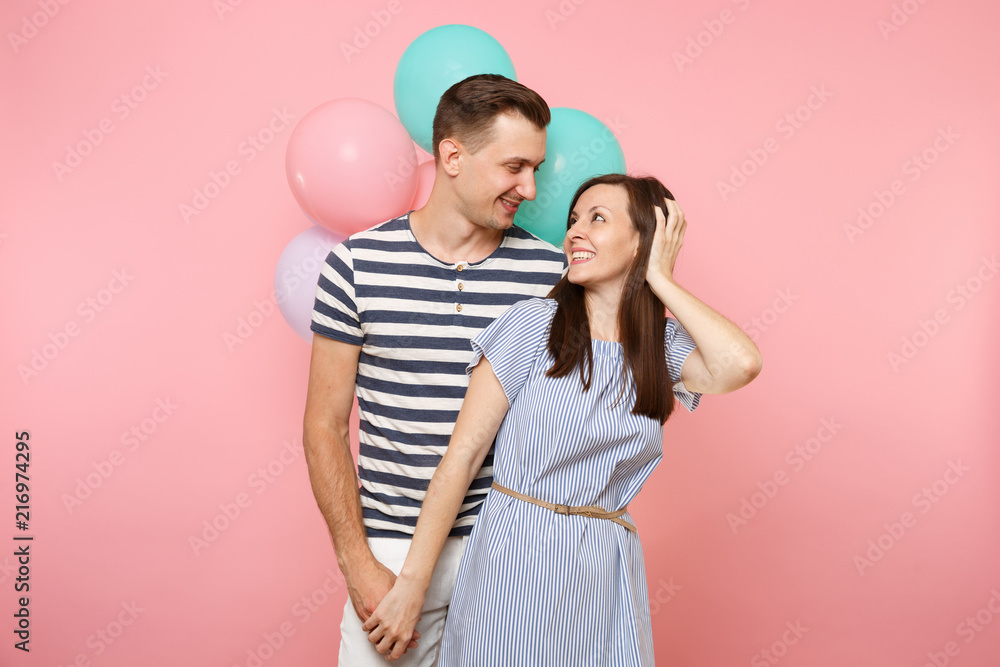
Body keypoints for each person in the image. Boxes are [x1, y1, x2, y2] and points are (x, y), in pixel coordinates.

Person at [360, 173, 763, 664]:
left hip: (605, 568)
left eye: (597, 219)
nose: (574, 232)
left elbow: (740, 364)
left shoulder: (658, 349)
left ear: (646, 241)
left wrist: (660, 277)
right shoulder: (533, 324)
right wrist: (411, 588)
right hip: (514, 558)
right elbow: (462, 459)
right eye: (574, 219)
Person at [302, 73, 568, 666]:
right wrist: (358, 562)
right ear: (452, 156)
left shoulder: (551, 277)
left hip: (510, 554)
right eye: (514, 166)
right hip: (392, 556)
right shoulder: (357, 265)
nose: (529, 187)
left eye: (536, 169)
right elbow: (323, 425)